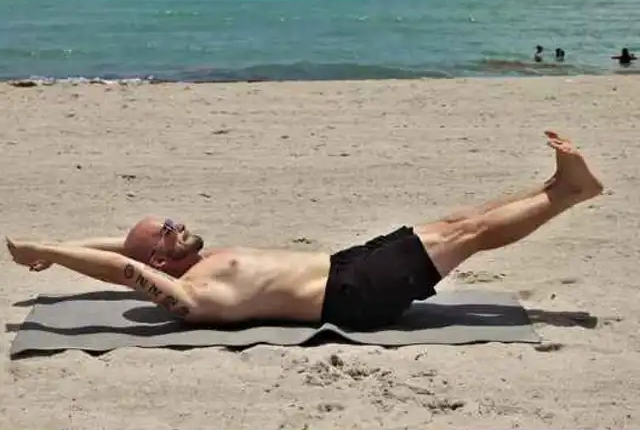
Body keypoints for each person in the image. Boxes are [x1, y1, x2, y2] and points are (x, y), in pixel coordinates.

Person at [6, 130, 603, 331]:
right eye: (169, 228)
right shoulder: (193, 296)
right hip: (351, 298)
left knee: (459, 223)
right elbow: (124, 266)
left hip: (347, 264)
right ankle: (568, 194)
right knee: (468, 235)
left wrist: (54, 251)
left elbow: (122, 250)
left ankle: (558, 185)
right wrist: (45, 253)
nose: (179, 226)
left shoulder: (183, 263)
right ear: (158, 262)